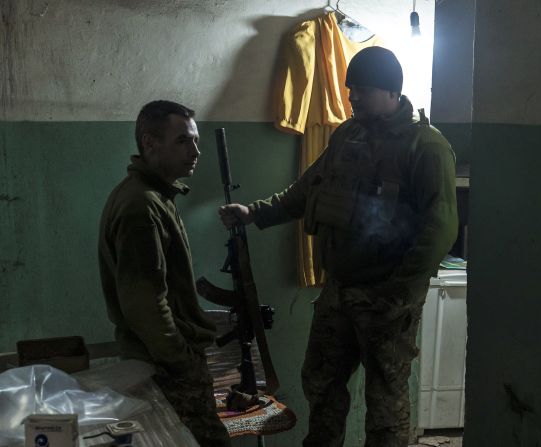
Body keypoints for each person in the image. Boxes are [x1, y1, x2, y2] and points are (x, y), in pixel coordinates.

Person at [220, 46, 458, 447]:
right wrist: (255, 212)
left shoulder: (426, 146)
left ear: (391, 92)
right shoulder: (348, 135)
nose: (353, 98)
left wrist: (396, 292)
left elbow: (441, 227)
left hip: (386, 298)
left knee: (385, 400)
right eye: (351, 91)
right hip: (339, 290)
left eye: (361, 90)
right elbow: (309, 188)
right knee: (321, 381)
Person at [98, 100, 231, 447]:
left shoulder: (153, 197)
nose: (195, 151)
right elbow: (145, 302)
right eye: (183, 141)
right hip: (165, 367)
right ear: (150, 143)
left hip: (163, 360)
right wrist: (181, 360)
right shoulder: (141, 206)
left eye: (196, 141)